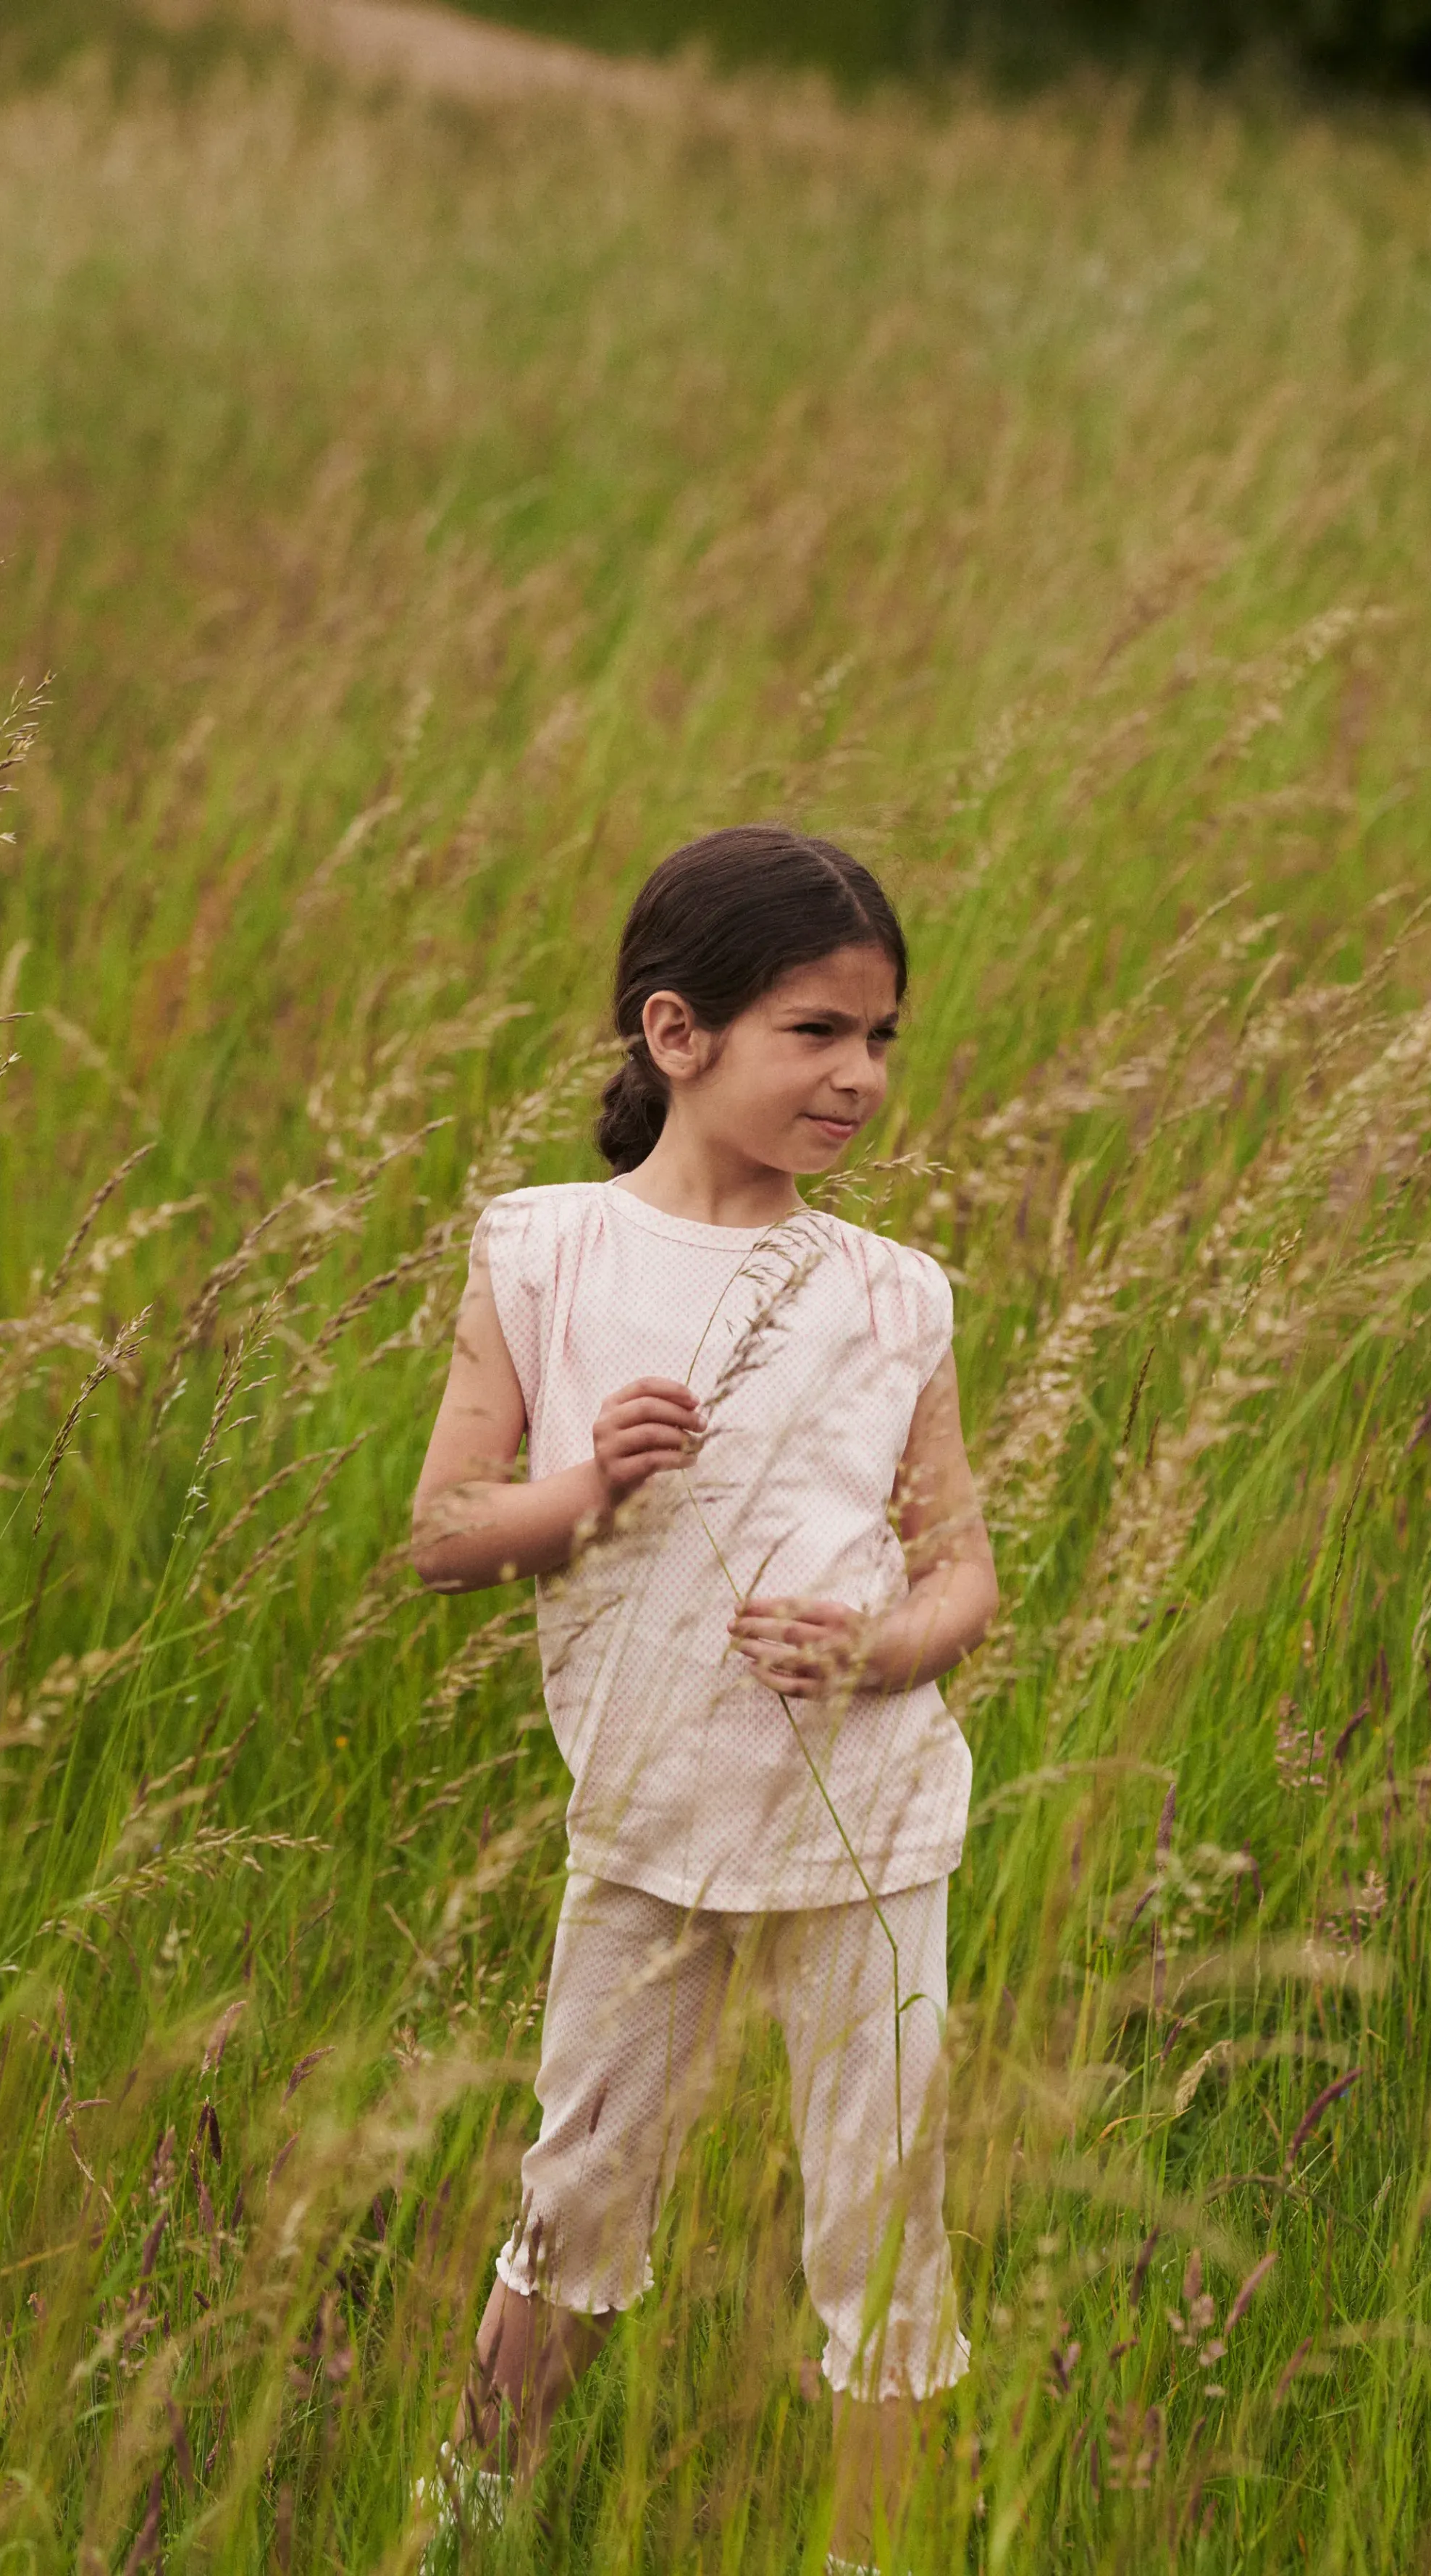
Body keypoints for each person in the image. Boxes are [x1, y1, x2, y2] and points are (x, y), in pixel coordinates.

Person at [410, 825, 998, 2570]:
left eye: (879, 1036)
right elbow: (445, 1534)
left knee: (882, 2227)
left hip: (867, 1827)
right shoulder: (546, 1251)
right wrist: (589, 1481)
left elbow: (962, 1573)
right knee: (577, 2190)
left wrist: (881, 1648)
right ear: (677, 1033)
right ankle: (470, 2525)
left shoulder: (894, 1292)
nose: (860, 1074)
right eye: (816, 1030)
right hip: (649, 1819)